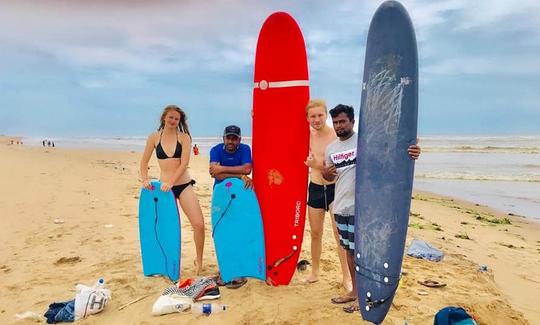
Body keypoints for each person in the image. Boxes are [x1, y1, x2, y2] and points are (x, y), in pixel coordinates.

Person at [323, 104, 420, 313]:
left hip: (365, 208)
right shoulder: (331, 149)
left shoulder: (366, 141)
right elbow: (328, 177)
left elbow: (392, 153)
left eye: (343, 121)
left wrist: (412, 151)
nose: (339, 126)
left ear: (352, 122)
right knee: (348, 249)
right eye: (336, 122)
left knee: (363, 251)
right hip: (341, 206)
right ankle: (355, 292)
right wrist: (326, 172)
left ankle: (365, 296)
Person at [140, 104, 205, 276]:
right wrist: (145, 179)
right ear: (164, 118)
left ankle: (199, 262)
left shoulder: (184, 138)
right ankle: (164, 261)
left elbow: (184, 164)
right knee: (163, 227)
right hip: (163, 189)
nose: (173, 121)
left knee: (198, 224)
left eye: (177, 119)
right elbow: (143, 162)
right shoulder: (154, 137)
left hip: (182, 185)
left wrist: (171, 182)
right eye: (171, 117)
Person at [303, 99, 351, 290]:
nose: (316, 119)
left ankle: (346, 277)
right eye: (312, 116)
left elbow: (338, 165)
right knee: (315, 233)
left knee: (339, 235)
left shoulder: (335, 135)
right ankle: (315, 271)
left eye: (320, 115)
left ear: (326, 115)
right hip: (315, 188)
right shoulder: (306, 135)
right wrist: (257, 116)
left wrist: (317, 164)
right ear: (307, 118)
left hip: (334, 189)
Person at [207, 125, 252, 289]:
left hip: (241, 196)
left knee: (239, 231)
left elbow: (247, 168)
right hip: (220, 196)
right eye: (228, 138)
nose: (231, 141)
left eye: (234, 138)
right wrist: (240, 175)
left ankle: (239, 271)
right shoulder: (216, 150)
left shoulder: (245, 149)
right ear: (223, 138)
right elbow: (214, 173)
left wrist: (224, 169)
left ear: (239, 139)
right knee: (221, 233)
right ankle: (224, 269)